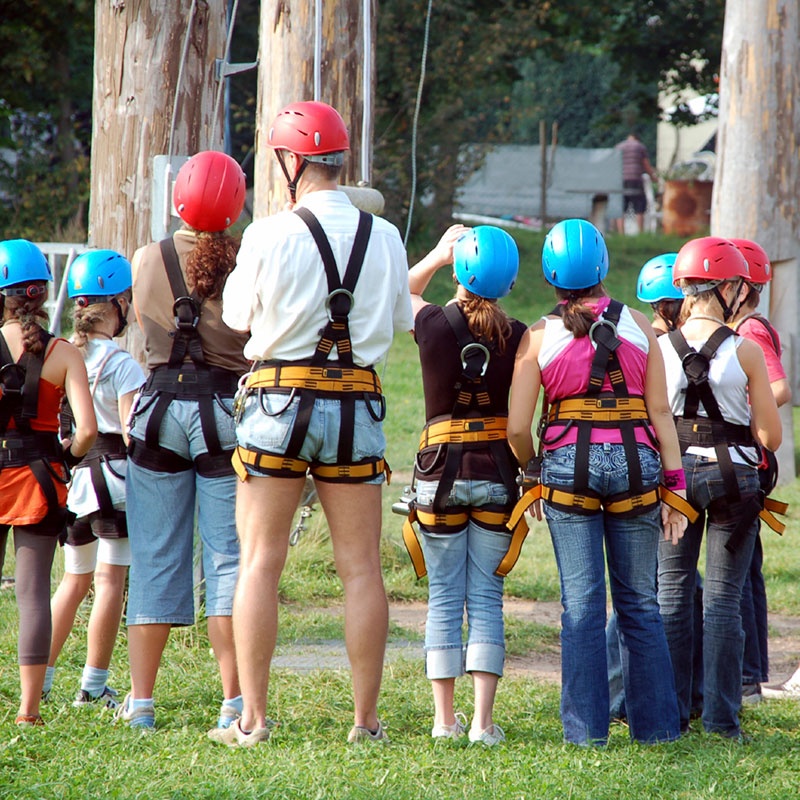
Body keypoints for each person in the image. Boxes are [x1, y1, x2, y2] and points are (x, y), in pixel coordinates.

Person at [214, 100, 413, 747]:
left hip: (277, 402)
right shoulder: (383, 236)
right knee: (360, 569)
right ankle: (365, 722)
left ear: (292, 161)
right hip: (356, 405)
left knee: (260, 562)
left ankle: (254, 719)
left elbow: (238, 318)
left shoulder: (270, 234)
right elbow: (401, 322)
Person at [507, 218, 689, 746]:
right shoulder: (641, 326)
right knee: (640, 603)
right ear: (605, 267)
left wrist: (531, 469)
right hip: (637, 466)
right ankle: (657, 731)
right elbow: (660, 411)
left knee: (582, 606)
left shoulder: (538, 335)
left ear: (551, 274)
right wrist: (673, 488)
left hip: (568, 470)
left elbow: (519, 426)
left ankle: (586, 734)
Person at [115, 150, 249, 730]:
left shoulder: (148, 257)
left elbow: (140, 335)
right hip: (224, 410)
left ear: (178, 201)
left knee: (155, 556)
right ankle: (233, 701)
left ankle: (141, 702)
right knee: (227, 561)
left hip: (158, 410)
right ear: (236, 206)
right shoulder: (245, 262)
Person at [403, 224, 527, 746]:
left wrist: (436, 252)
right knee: (487, 596)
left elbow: (400, 289)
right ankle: (482, 724)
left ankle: (442, 721)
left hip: (438, 477)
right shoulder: (520, 335)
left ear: (459, 271)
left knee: (443, 595)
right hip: (498, 473)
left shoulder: (431, 323)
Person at [657, 236, 781, 740]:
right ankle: (723, 722)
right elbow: (770, 436)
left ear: (683, 287)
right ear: (729, 288)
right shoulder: (746, 350)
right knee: (725, 601)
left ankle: (671, 712)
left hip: (676, 482)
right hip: (735, 481)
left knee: (672, 595)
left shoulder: (657, 348)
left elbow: (652, 418)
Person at [0, 238, 97, 726]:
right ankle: (28, 710)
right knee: (34, 592)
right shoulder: (63, 353)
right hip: (39, 481)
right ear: (42, 293)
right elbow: (88, 431)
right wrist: (63, 458)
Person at [607, 253, 705, 723]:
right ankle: (634, 700)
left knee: (672, 586)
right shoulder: (665, 346)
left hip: (643, 465)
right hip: (664, 471)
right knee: (649, 590)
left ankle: (686, 693)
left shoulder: (641, 338)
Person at [44, 249, 145, 708]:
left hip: (73, 481)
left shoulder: (62, 353)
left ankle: (40, 677)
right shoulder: (122, 365)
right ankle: (93, 684)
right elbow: (131, 432)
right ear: (119, 302)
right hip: (114, 482)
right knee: (109, 582)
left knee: (74, 581)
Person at [728, 238, 790, 705]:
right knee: (746, 568)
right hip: (746, 461)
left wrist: (740, 414)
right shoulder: (745, 325)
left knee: (742, 570)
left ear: (741, 286)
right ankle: (752, 672)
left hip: (747, 460)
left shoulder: (748, 331)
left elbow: (779, 387)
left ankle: (748, 678)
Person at [615, 132, 657, 235]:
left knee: (620, 208)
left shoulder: (619, 147)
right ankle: (641, 232)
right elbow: (646, 164)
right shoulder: (640, 147)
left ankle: (621, 233)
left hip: (621, 180)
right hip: (636, 179)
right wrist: (653, 178)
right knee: (639, 207)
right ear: (637, 138)